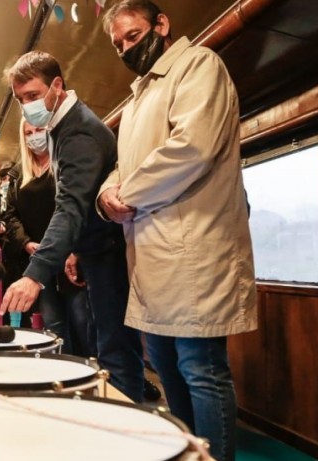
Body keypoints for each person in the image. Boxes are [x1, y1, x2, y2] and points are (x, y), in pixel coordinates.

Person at [97, 2, 257, 459]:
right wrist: (106, 197)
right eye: (118, 44)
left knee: (201, 368)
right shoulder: (138, 97)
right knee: (165, 368)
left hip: (194, 248)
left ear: (162, 26)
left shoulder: (199, 66)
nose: (126, 48)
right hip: (151, 253)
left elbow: (192, 147)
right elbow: (121, 169)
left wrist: (127, 194)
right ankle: (186, 453)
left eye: (132, 36)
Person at [0, 50, 145, 403]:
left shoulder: (78, 132)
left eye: (33, 96)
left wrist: (34, 275)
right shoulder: (62, 128)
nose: (27, 106)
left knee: (113, 351)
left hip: (108, 253)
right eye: (21, 101)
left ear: (57, 86)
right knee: (105, 345)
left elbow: (71, 207)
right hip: (92, 252)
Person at [0, 119, 95, 357]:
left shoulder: (64, 163)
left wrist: (74, 249)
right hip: (40, 260)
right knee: (53, 323)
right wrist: (26, 243)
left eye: (38, 130)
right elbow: (11, 215)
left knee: (83, 321)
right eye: (28, 133)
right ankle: (62, 373)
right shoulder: (19, 173)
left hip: (71, 256)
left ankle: (88, 371)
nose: (33, 136)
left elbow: (78, 207)